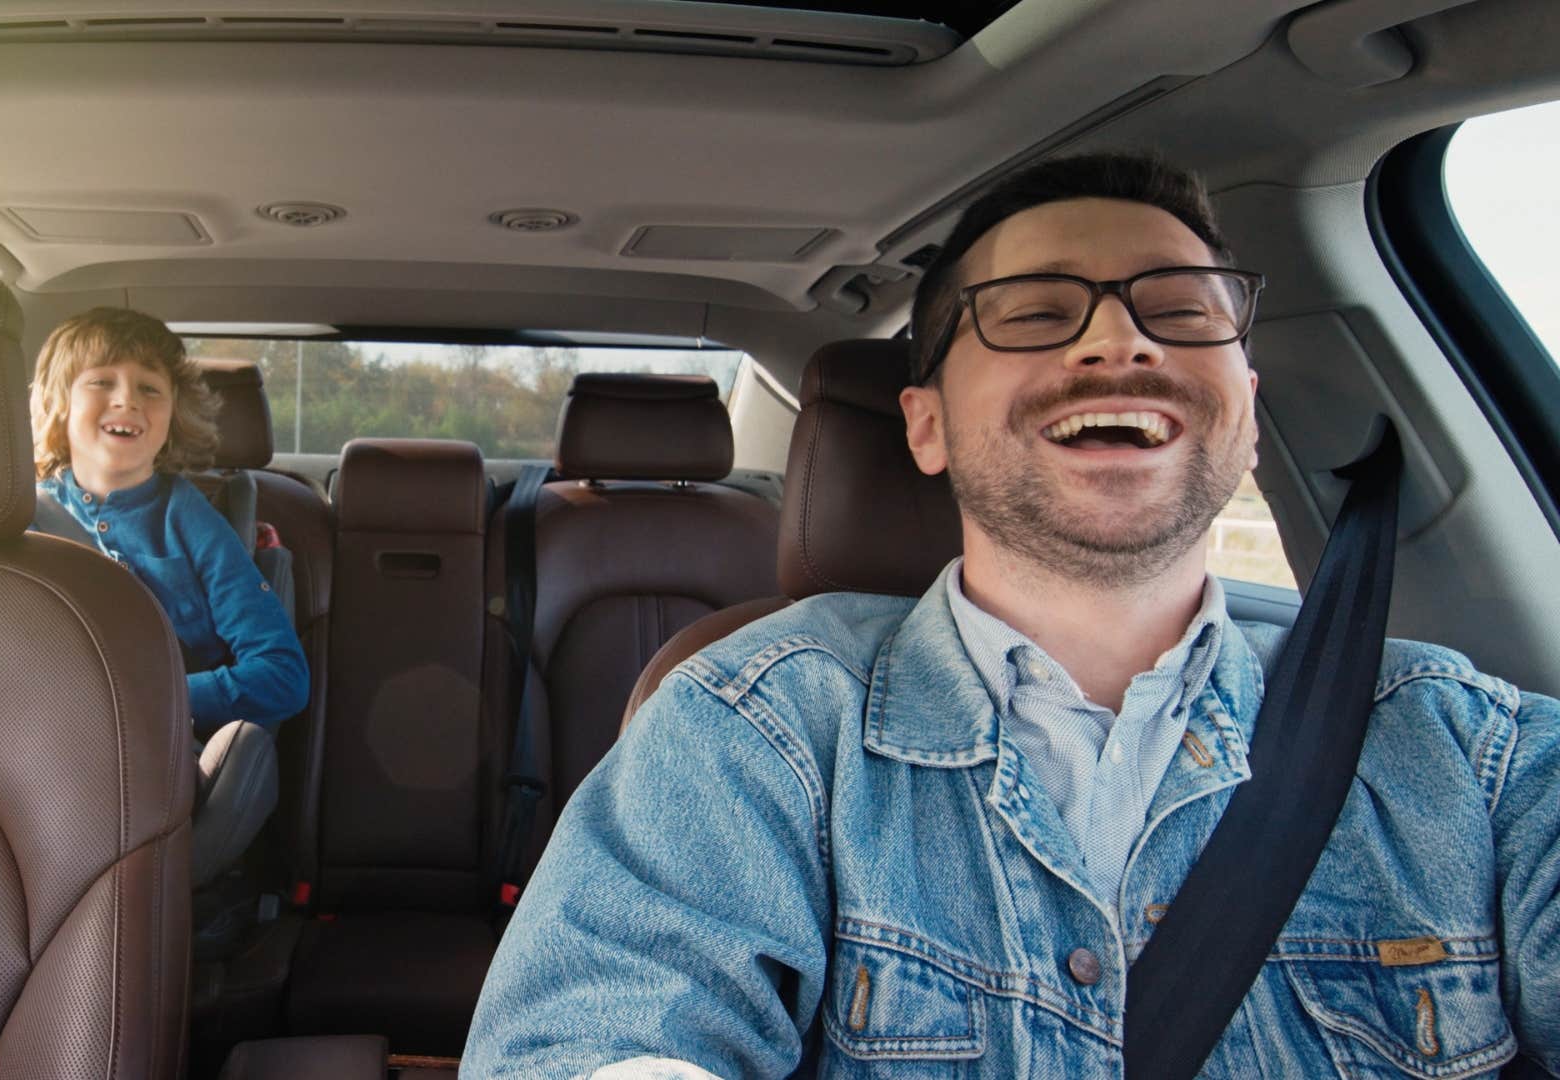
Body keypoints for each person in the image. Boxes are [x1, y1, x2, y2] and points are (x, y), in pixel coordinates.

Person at [459, 154, 1559, 1077]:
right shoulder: (760, 728)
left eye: (1178, 311)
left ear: (1249, 417)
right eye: (1035, 314)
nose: (1119, 345)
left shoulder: (1471, 751)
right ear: (926, 428)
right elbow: (604, 1038)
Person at [30, 306, 309, 734]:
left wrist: (149, 701)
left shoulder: (192, 522)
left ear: (174, 415)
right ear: (59, 403)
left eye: (150, 388)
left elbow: (283, 676)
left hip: (159, 749)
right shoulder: (23, 517)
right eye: (102, 381)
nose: (127, 399)